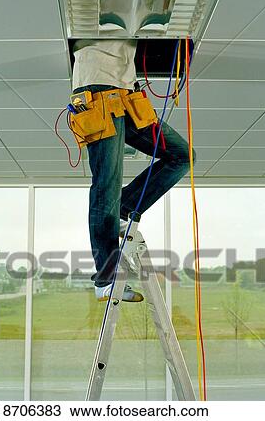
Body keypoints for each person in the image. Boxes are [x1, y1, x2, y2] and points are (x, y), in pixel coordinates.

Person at [72, 39, 196, 302]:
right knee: (108, 182)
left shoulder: (135, 13)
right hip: (97, 88)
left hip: (126, 91)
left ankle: (123, 207)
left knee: (183, 156)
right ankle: (105, 279)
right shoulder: (99, 7)